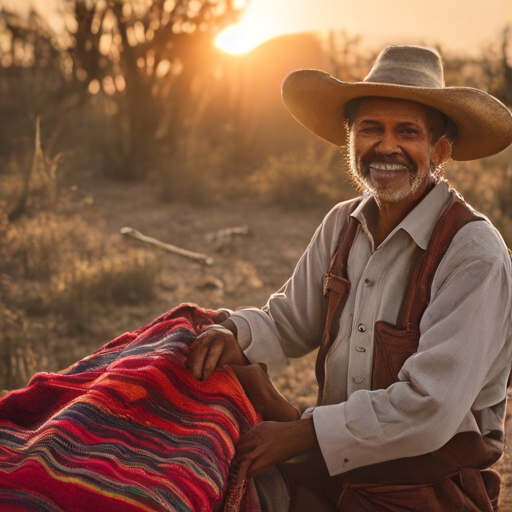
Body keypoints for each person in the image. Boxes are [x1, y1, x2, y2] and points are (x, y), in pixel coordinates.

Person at [187, 45, 512, 511]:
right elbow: (288, 321)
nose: (386, 146)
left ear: (440, 151)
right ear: (350, 141)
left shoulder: (473, 254)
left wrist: (300, 434)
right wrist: (234, 333)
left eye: (408, 132)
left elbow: (431, 408)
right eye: (370, 129)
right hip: (336, 466)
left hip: (430, 489)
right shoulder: (342, 224)